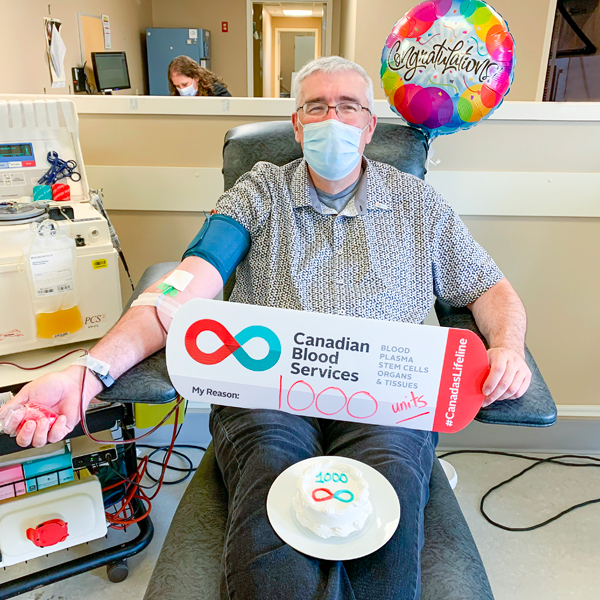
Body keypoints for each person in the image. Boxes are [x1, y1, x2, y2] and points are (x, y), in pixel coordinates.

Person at [2, 57, 531, 600]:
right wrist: (86, 372)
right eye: (316, 107)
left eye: (348, 107)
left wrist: (507, 346)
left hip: (385, 396)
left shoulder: (419, 205)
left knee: (384, 503)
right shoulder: (258, 194)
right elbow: (183, 287)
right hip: (265, 391)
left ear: (370, 126)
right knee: (273, 492)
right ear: (297, 124)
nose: (333, 118)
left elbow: (491, 289)